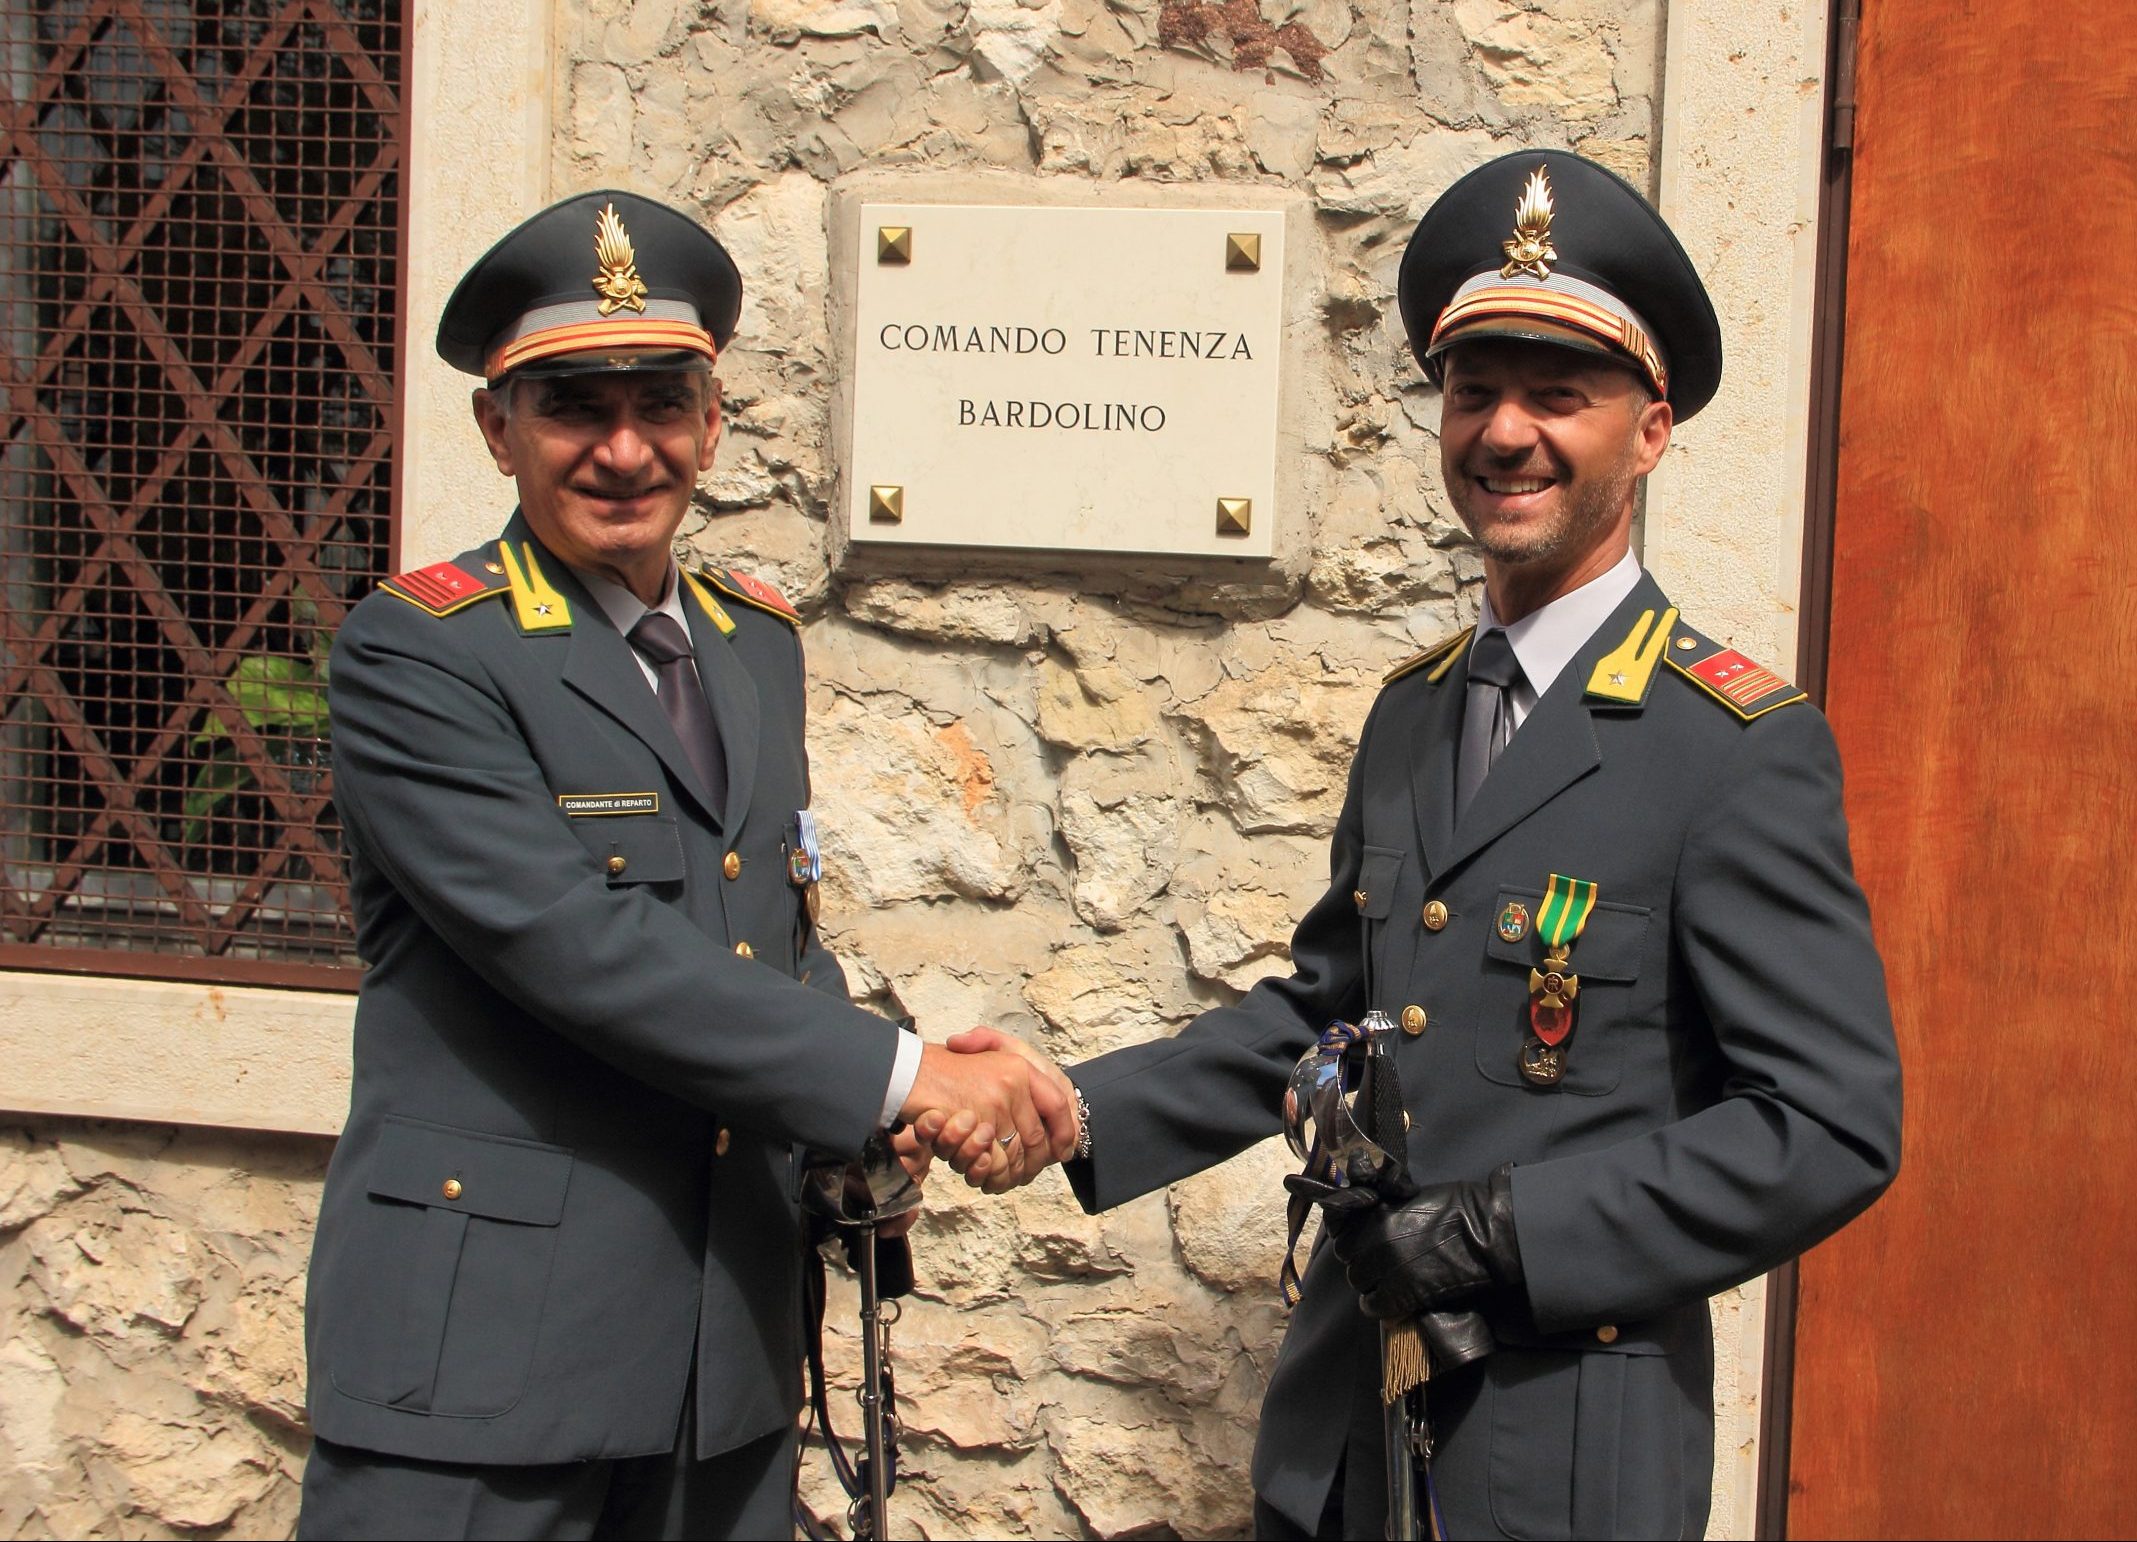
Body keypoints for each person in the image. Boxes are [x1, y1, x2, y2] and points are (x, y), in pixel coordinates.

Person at [953, 149, 1903, 1538]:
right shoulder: (1416, 714)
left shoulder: (1730, 747)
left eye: (1557, 395)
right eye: (1473, 391)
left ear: (1648, 432)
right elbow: (1332, 1014)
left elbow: (1826, 1125)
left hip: (1554, 1453)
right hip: (1343, 1431)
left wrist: (1505, 1230)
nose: (1504, 433)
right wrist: (1075, 1109)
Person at [297, 190, 1074, 1540]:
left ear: (712, 423)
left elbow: (763, 932)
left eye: (661, 403)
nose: (623, 449)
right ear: (498, 430)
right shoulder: (419, 652)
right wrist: (904, 1074)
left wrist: (874, 1109)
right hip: (487, 1358)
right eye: (572, 407)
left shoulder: (748, 640)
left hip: (721, 1349)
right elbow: (576, 945)